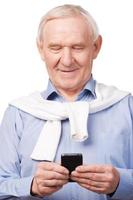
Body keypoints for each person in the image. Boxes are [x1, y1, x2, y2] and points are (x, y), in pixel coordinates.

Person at [0, 4, 133, 200]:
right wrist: (32, 186)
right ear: (41, 49)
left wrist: (120, 182)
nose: (67, 60)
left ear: (95, 47)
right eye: (56, 48)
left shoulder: (126, 107)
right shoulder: (18, 113)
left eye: (77, 47)